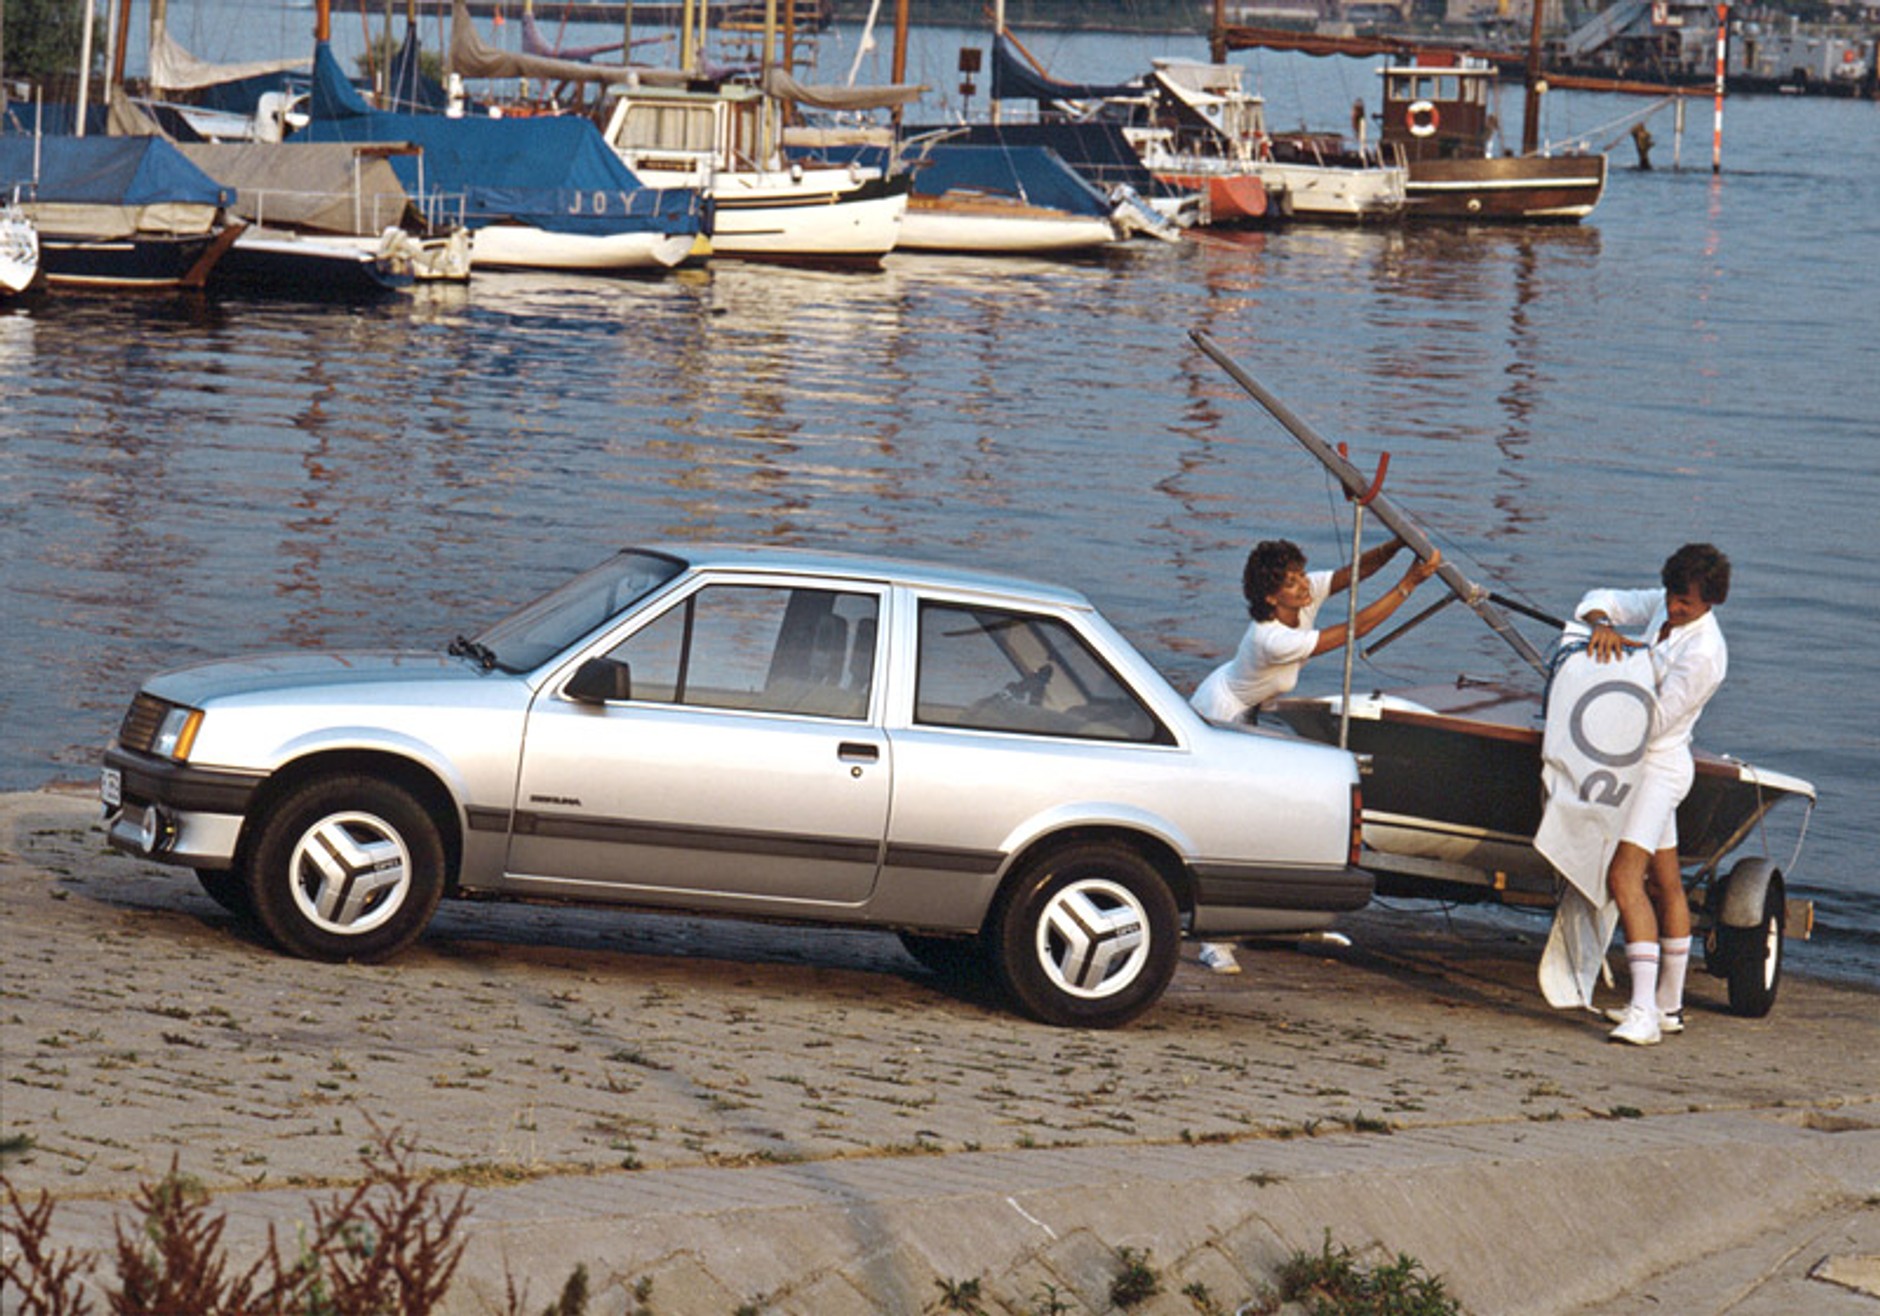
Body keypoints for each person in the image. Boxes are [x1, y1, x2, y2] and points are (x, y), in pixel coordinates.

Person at [1190, 534, 1443, 973]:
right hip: (1221, 716)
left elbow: (1353, 573)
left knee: (1277, 820)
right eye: (1291, 582)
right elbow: (1354, 631)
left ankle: (1281, 922)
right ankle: (1214, 941)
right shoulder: (1269, 638)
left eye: (1302, 574)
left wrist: (1396, 544)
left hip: (1252, 713)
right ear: (1271, 596)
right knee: (1238, 828)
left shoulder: (1301, 601)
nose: (1304, 585)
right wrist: (1410, 584)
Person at [1576, 543, 1731, 1045]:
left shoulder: (1705, 654)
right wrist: (1602, 624)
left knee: (1624, 876)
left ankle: (1641, 1012)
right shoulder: (1664, 609)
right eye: (1669, 594)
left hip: (1658, 769)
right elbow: (1598, 600)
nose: (1672, 606)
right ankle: (1668, 1004)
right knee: (1666, 882)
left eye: (1684, 601)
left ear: (1709, 600)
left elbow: (1655, 720)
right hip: (1640, 765)